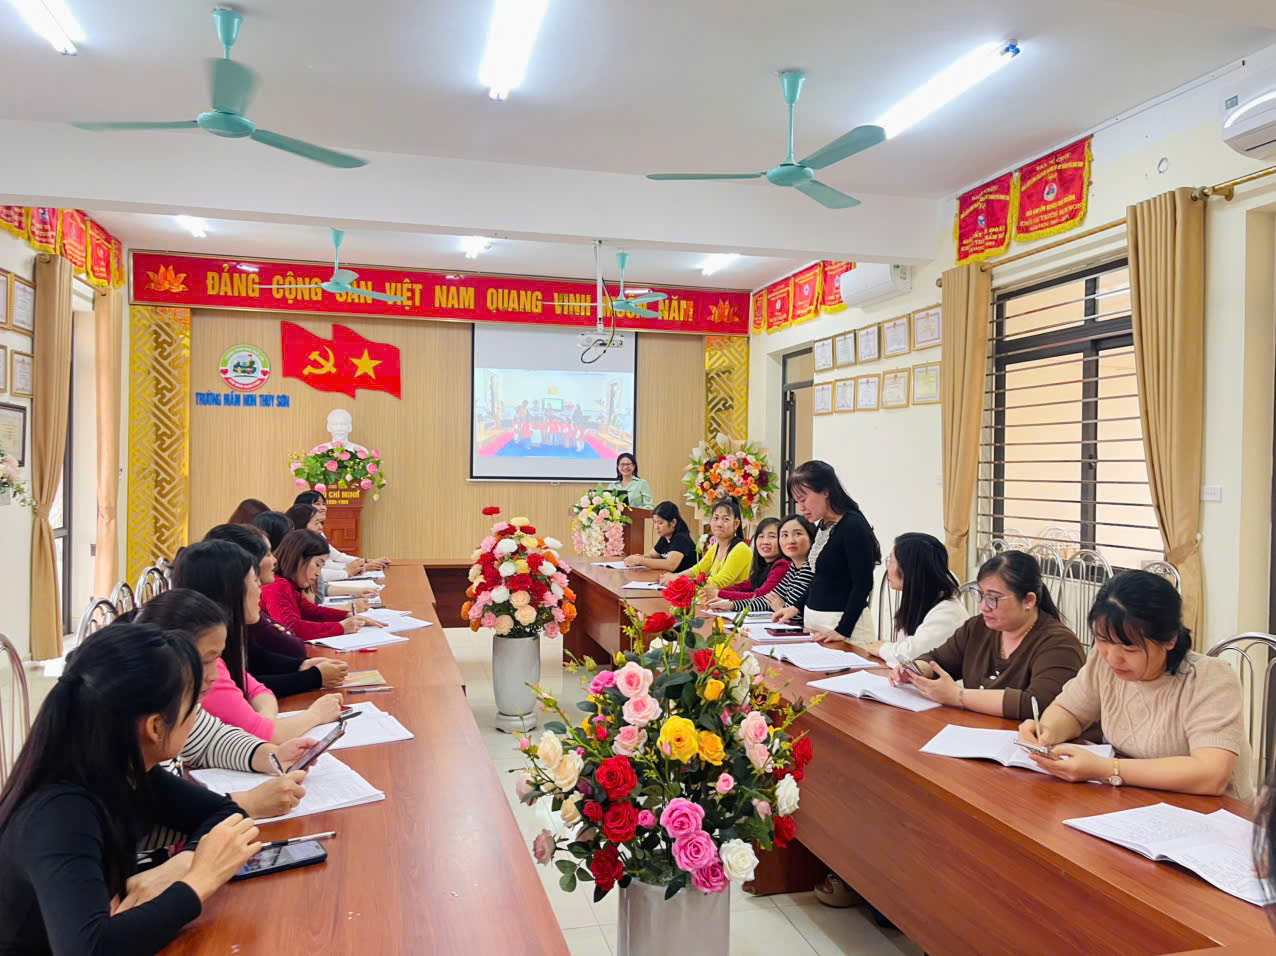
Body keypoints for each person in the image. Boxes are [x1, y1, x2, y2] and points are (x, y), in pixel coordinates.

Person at [0, 622, 261, 953]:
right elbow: (89, 949)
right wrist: (199, 882)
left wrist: (180, 866)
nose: (196, 718)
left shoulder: (126, 768)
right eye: (191, 708)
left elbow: (227, 814)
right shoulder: (60, 811)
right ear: (155, 727)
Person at [1020, 571, 1253, 800]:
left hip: (1209, 811)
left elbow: (1211, 775)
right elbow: (1070, 710)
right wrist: (1046, 732)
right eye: (1103, 640)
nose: (1113, 657)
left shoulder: (1209, 679)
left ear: (1170, 639)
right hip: (1133, 799)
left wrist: (1106, 769)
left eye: (1129, 648)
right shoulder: (1103, 661)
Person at [132, 590, 313, 824]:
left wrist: (273, 756)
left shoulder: (175, 702)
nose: (214, 675)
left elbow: (210, 740)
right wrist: (245, 804)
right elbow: (152, 820)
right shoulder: (139, 725)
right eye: (206, 661)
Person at [174, 540, 344, 742]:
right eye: (254, 581)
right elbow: (263, 733)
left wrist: (264, 721)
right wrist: (315, 715)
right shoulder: (205, 665)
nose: (260, 590)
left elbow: (258, 690)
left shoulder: (220, 645)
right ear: (231, 590)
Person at [889, 550, 1084, 719]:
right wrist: (915, 670)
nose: (983, 606)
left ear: (1028, 601)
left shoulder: (1059, 644)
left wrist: (958, 697)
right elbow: (937, 659)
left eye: (993, 598)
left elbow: (1036, 704)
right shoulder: (978, 627)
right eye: (980, 595)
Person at [204, 523, 350, 684]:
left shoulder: (241, 614)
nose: (275, 559)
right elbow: (241, 685)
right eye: (268, 554)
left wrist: (303, 666)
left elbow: (254, 666)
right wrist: (313, 676)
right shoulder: (273, 589)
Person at [771, 460, 881, 645]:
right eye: (797, 502)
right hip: (817, 623)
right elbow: (820, 578)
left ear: (825, 491)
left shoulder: (853, 525)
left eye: (804, 499)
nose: (801, 508)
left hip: (843, 626)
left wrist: (842, 630)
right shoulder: (824, 524)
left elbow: (863, 584)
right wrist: (796, 607)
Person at [864, 532, 967, 666]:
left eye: (892, 561)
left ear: (910, 569)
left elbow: (910, 656)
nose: (888, 568)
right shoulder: (921, 599)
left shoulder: (948, 612)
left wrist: (883, 648)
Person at [263, 529, 382, 642]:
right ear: (298, 559)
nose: (318, 573)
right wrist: (341, 627)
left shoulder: (288, 585)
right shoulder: (277, 585)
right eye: (317, 564)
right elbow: (292, 627)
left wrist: (347, 616)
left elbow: (312, 611)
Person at [711, 514, 815, 617]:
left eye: (798, 534)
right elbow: (766, 601)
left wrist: (781, 609)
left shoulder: (809, 569)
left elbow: (797, 615)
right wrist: (732, 605)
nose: (790, 540)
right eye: (785, 535)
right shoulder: (793, 568)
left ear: (812, 537)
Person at [295, 490, 390, 579]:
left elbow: (336, 556)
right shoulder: (299, 537)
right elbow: (319, 567)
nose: (323, 508)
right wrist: (356, 568)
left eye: (324, 504)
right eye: (318, 504)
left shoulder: (317, 530)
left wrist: (366, 562)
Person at [661, 497, 751, 589]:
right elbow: (698, 569)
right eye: (715, 518)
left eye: (725, 519)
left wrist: (678, 579)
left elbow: (720, 582)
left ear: (736, 524)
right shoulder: (716, 547)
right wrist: (675, 576)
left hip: (730, 597)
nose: (719, 524)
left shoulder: (741, 549)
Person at [706, 517, 787, 605]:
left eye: (772, 536)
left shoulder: (782, 565)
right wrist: (716, 592)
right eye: (761, 536)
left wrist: (720, 593)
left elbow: (760, 597)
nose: (765, 542)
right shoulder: (763, 567)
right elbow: (744, 587)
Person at [624, 500, 697, 573]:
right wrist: (638, 557)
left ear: (673, 522)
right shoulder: (665, 536)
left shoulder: (681, 538)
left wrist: (640, 560)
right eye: (655, 522)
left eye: (660, 523)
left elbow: (670, 565)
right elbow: (652, 555)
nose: (656, 527)